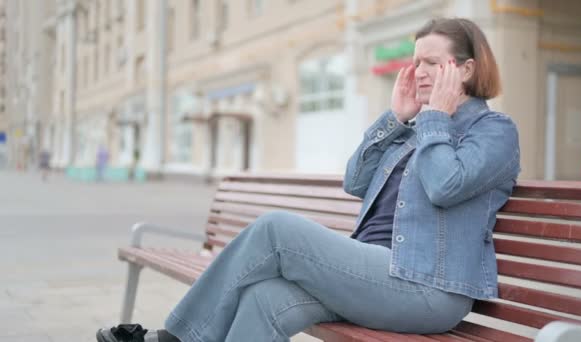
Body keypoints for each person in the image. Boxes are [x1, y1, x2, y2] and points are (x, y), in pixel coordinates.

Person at [97, 17, 520, 342]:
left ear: (465, 69)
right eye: (416, 62)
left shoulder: (493, 131)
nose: (420, 72)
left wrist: (433, 119)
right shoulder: (414, 130)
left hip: (429, 288)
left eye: (432, 63)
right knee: (265, 298)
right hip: (375, 274)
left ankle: (177, 336)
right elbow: (355, 181)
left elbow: (444, 186)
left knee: (277, 230)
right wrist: (395, 118)